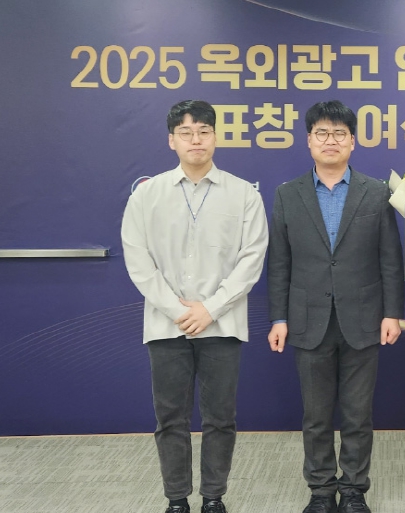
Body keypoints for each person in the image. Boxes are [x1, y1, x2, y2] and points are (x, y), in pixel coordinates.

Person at [121, 100, 268, 513]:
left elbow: (252, 258)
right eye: (185, 133)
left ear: (216, 137)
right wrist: (177, 310)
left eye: (204, 131)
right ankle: (176, 499)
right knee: (170, 418)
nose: (196, 139)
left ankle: (214, 497)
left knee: (220, 417)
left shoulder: (243, 194)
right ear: (172, 140)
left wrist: (210, 309)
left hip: (222, 325)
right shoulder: (147, 195)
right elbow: (138, 260)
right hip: (166, 326)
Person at [267, 100, 405, 513]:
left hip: (364, 317)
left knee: (358, 414)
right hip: (308, 318)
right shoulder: (288, 194)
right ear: (309, 140)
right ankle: (322, 491)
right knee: (316, 415)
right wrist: (279, 317)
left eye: (340, 133)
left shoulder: (376, 192)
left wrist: (392, 313)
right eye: (322, 133)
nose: (331, 140)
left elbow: (390, 259)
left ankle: (354, 490)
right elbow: (279, 263)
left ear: (353, 141)